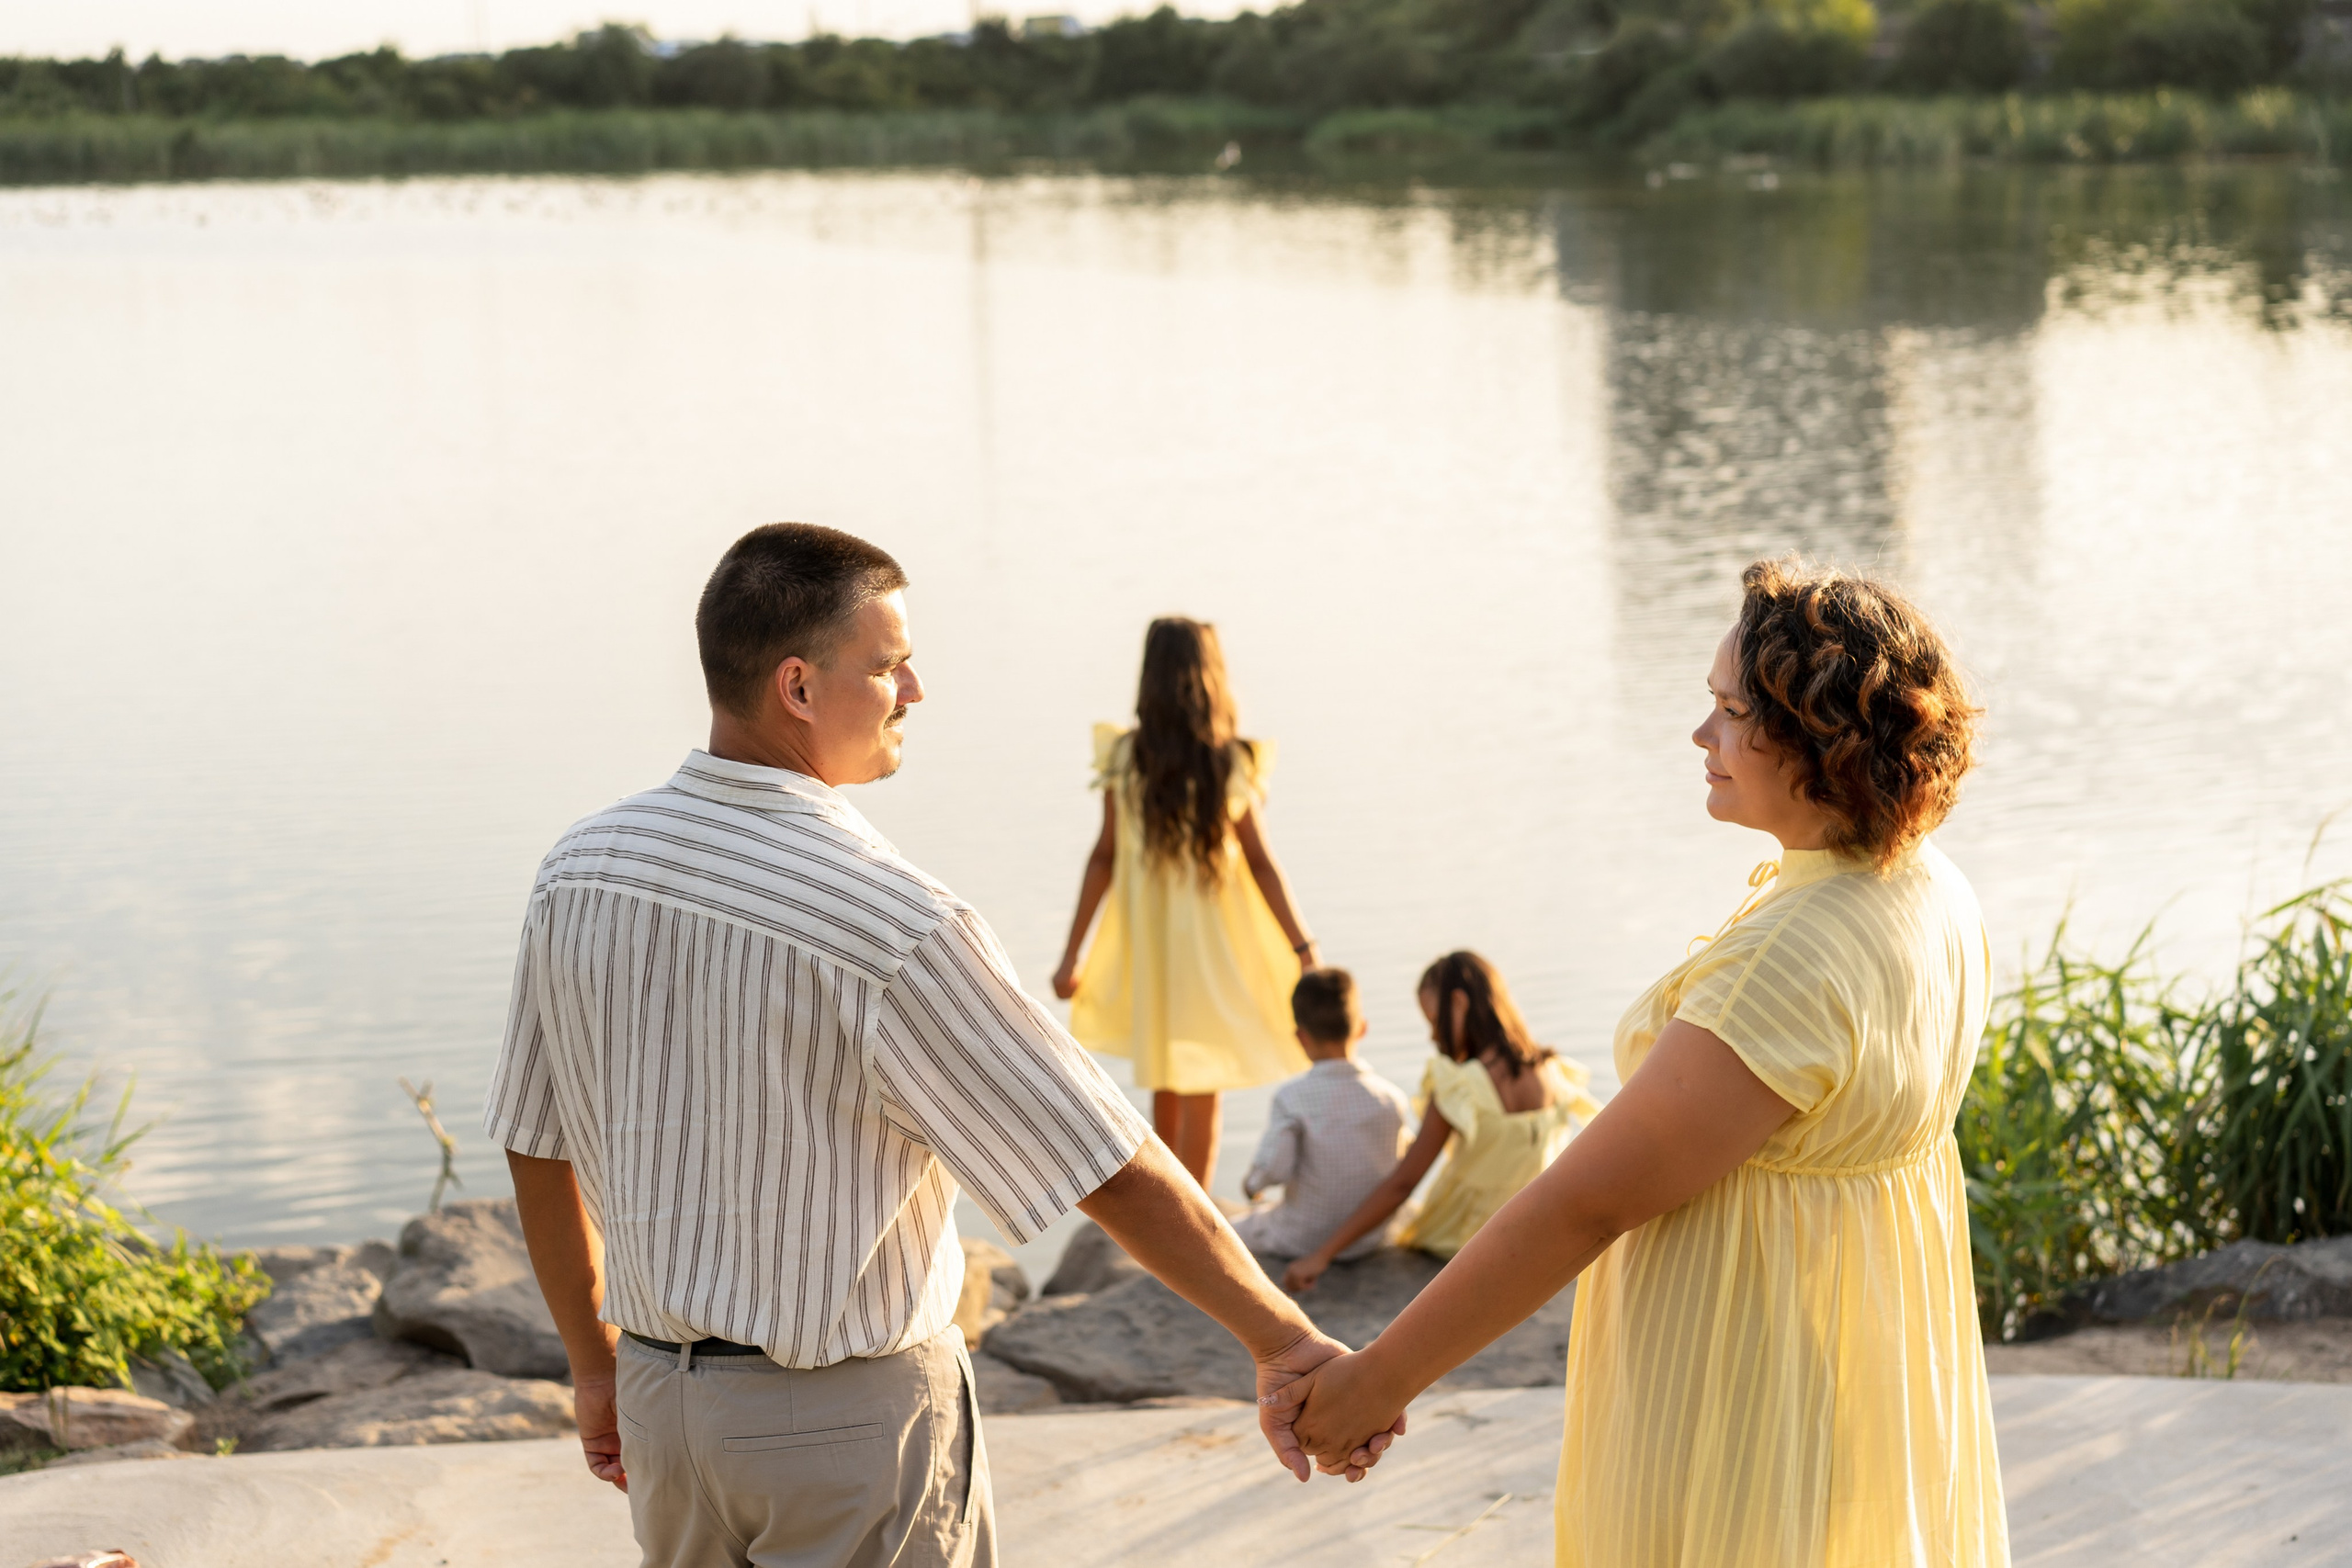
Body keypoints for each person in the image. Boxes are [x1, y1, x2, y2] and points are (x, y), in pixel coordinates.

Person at [483, 525, 1377, 1568]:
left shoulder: (580, 870)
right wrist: (1283, 1341)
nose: (913, 690)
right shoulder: (892, 922)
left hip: (660, 1407)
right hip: (848, 1428)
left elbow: (533, 1143)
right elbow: (1106, 1164)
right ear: (799, 688)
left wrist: (594, 1369)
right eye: (887, 663)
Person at [1272, 558, 2009, 1567]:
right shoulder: (1928, 890)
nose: (1700, 735)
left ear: (1812, 741)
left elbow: (1583, 1204)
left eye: (1726, 709)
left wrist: (1374, 1382)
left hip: (1740, 1403)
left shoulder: (1791, 958)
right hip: (1858, 1372)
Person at [1050, 617, 1318, 1189]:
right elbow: (1262, 863)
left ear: (1149, 677)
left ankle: (1178, 1206)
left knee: (1168, 1074)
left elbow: (1104, 858)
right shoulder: (1230, 761)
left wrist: (1073, 955)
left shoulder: (1128, 756)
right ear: (1212, 676)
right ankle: (1190, 1210)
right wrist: (1304, 949)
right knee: (1195, 1077)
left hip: (1149, 942)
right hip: (1212, 944)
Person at [1279, 952, 1600, 1294]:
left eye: (1433, 1020)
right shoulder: (1552, 1069)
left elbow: (1404, 1183)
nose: (1433, 1035)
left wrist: (1322, 1254)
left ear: (1459, 1003)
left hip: (1462, 1238)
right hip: (1535, 1230)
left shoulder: (1459, 1083)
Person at [1231, 967, 1418, 1265]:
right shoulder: (1391, 1099)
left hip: (1301, 1238)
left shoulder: (1292, 1098)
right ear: (1362, 1028)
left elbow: (1275, 1168)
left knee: (1230, 1231)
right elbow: (1402, 1161)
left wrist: (1252, 1186)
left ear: (1301, 1038)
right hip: (1369, 1238)